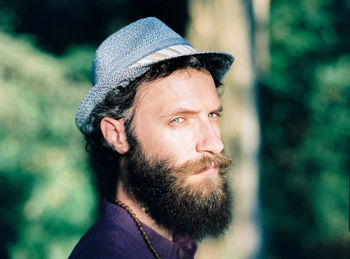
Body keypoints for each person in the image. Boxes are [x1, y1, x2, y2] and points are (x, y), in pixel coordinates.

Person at [69, 17, 234, 259]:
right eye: (178, 120)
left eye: (212, 114)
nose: (215, 144)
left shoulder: (169, 241)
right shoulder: (109, 254)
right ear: (117, 135)